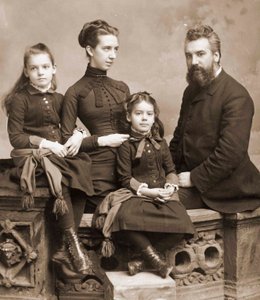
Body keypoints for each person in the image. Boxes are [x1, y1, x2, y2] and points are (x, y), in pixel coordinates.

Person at [2, 43, 95, 275]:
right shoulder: (19, 100)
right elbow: (16, 138)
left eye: (45, 66)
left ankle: (65, 247)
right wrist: (46, 144)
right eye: (34, 68)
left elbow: (70, 128)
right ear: (26, 72)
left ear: (54, 68)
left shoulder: (60, 99)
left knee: (83, 167)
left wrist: (77, 135)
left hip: (58, 154)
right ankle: (72, 243)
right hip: (32, 157)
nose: (41, 72)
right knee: (60, 176)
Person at [94, 92, 195, 278]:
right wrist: (147, 192)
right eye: (138, 113)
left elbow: (171, 170)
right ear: (128, 116)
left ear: (154, 117)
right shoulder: (126, 145)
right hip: (138, 194)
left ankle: (141, 261)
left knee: (184, 224)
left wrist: (170, 187)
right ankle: (156, 261)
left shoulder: (161, 143)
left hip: (162, 194)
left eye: (149, 114)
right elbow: (125, 178)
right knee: (124, 219)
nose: (144, 118)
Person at [169, 24, 260, 213]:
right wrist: (167, 172)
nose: (193, 61)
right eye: (188, 55)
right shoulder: (191, 91)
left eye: (200, 54)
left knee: (157, 205)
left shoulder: (236, 96)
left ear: (216, 56)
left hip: (226, 189)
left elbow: (230, 154)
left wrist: (193, 178)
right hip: (189, 180)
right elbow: (179, 139)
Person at [61, 19, 130, 212]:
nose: (113, 55)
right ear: (90, 50)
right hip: (98, 174)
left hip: (128, 167)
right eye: (107, 49)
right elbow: (66, 143)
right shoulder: (75, 91)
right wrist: (102, 140)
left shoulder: (122, 87)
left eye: (116, 49)